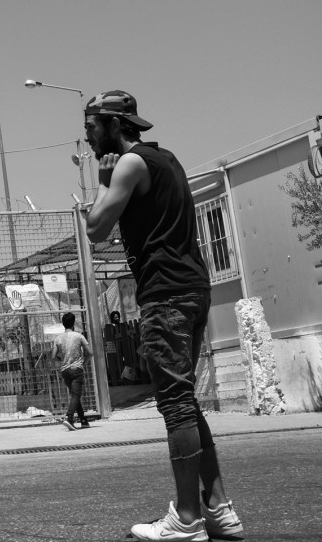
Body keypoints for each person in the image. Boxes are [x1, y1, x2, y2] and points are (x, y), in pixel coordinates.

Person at [83, 91, 243, 541]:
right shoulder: (166, 159)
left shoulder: (129, 165)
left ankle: (188, 520)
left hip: (166, 296)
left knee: (175, 405)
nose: (88, 138)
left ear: (115, 125)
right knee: (186, 401)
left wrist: (101, 180)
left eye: (92, 128)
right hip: (193, 289)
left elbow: (95, 228)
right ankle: (219, 509)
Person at [50, 312, 92, 430]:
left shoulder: (58, 339)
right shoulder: (78, 336)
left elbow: (53, 357)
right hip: (76, 369)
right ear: (73, 323)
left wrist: (61, 359)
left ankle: (83, 420)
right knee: (76, 395)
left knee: (75, 395)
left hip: (65, 370)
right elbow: (90, 353)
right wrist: (84, 362)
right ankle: (69, 418)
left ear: (63, 324)